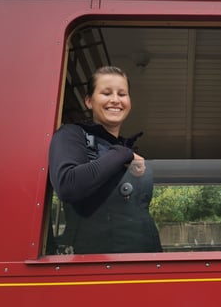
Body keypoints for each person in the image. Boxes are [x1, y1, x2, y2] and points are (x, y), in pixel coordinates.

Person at [48, 66, 162, 254]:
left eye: (122, 94)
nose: (115, 100)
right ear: (89, 101)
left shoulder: (127, 148)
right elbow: (68, 185)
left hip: (147, 258)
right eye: (106, 93)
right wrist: (124, 154)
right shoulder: (72, 135)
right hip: (98, 262)